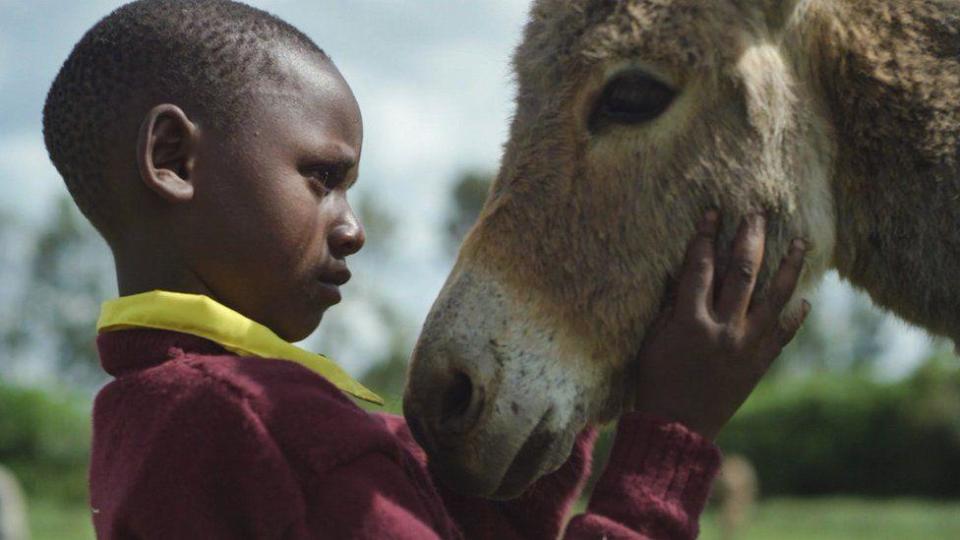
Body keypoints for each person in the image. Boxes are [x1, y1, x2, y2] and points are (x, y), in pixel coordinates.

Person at [42, 1, 809, 538]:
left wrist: (581, 356)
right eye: (322, 179)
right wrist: (669, 440)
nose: (353, 227)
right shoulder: (270, 428)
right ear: (173, 159)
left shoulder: (157, 412)